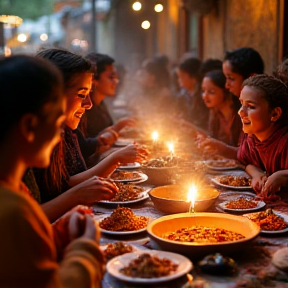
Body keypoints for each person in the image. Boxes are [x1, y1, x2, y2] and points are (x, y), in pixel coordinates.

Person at [0, 55, 104, 287]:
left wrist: (56, 235)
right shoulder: (11, 211)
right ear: (29, 126)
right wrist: (85, 248)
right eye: (57, 123)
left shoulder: (17, 188)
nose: (60, 136)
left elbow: (25, 254)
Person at [33, 48, 148, 222]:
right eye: (82, 95)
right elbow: (26, 220)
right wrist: (112, 158)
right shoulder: (22, 152)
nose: (89, 104)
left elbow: (64, 182)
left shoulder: (68, 131)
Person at [78, 53, 136, 162]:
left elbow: (106, 131)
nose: (116, 82)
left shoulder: (101, 103)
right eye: (111, 77)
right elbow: (83, 150)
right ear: (94, 80)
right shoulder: (82, 110)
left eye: (116, 77)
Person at [237, 74, 288, 198]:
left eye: (250, 107)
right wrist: (256, 173)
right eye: (241, 104)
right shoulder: (251, 137)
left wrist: (283, 176)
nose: (241, 112)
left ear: (275, 114)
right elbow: (244, 162)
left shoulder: (284, 142)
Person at [201, 70, 242, 146]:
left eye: (211, 92)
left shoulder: (240, 115)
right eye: (203, 91)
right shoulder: (215, 113)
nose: (205, 96)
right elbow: (212, 138)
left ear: (226, 91)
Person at [176, 56, 209, 131]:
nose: (179, 80)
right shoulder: (183, 94)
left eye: (182, 77)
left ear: (194, 78)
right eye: (178, 77)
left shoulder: (203, 97)